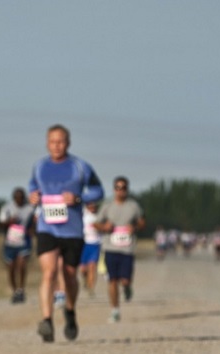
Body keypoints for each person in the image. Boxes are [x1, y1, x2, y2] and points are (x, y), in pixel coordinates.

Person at [29, 124, 104, 342]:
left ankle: (70, 312)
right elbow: (32, 188)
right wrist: (33, 196)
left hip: (72, 231)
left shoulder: (80, 166)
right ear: (46, 143)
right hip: (47, 228)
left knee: (70, 275)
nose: (56, 146)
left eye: (61, 141)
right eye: (52, 141)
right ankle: (47, 321)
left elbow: (98, 191)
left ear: (68, 143)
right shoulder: (39, 166)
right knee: (49, 272)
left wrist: (79, 199)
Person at [95, 176, 145, 323]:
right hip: (110, 247)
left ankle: (127, 287)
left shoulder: (133, 206)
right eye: (117, 187)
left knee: (124, 280)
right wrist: (104, 227)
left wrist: (135, 227)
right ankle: (115, 310)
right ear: (114, 189)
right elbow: (96, 223)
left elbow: (142, 222)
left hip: (127, 249)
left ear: (127, 189)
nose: (120, 190)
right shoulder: (107, 206)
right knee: (112, 280)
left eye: (123, 188)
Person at [0, 187, 36, 303]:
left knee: (22, 265)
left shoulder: (30, 208)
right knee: (11, 268)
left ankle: (21, 289)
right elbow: (0, 223)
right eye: (17, 198)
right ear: (14, 198)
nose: (20, 200)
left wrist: (32, 230)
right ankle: (15, 291)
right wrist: (10, 221)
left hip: (24, 242)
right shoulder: (7, 208)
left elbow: (35, 222)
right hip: (10, 243)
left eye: (22, 198)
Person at [78, 201, 102, 296]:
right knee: (83, 269)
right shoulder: (82, 214)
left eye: (94, 204)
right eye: (90, 204)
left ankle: (91, 288)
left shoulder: (100, 215)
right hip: (84, 244)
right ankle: (85, 279)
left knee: (92, 267)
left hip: (96, 244)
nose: (92, 206)